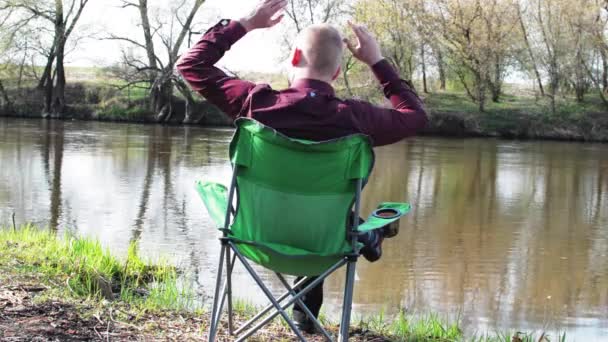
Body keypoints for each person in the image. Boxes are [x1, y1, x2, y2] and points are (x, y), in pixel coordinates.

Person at [177, 0, 428, 334]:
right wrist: (377, 62)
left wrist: (246, 24)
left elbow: (190, 64)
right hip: (326, 248)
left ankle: (308, 306)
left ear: (294, 58)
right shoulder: (356, 118)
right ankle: (365, 239)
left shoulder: (255, 103)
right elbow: (416, 116)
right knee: (327, 214)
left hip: (253, 239)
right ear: (337, 73)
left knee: (294, 204)